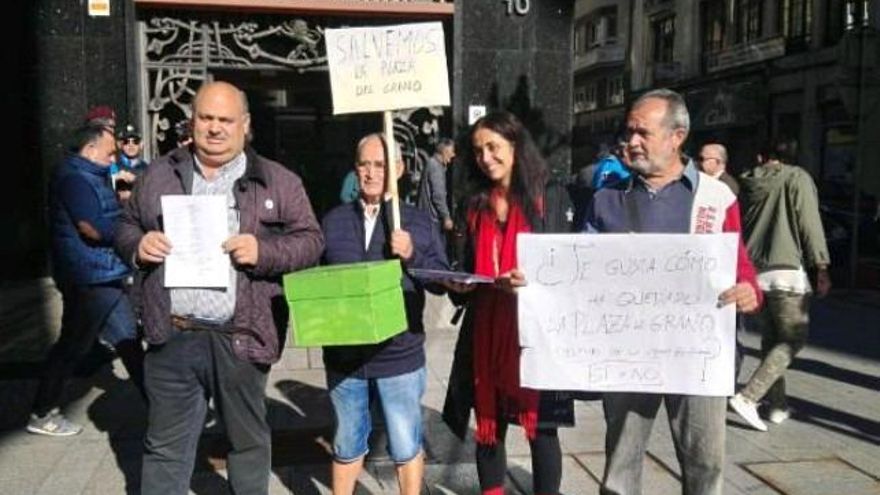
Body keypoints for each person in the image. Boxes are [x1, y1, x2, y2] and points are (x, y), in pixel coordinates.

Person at [115, 81, 324, 494]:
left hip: (240, 337)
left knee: (247, 443)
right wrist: (137, 246)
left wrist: (263, 251)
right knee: (165, 448)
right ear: (192, 122)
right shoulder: (158, 174)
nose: (215, 128)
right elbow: (124, 225)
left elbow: (312, 241)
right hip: (172, 333)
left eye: (225, 120)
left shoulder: (278, 181)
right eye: (206, 118)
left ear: (244, 125)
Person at [584, 89, 762, 495]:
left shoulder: (716, 198)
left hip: (698, 354)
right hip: (630, 354)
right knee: (620, 465)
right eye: (628, 132)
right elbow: (580, 270)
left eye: (642, 132)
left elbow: (740, 265)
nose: (631, 141)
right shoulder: (606, 199)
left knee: (705, 465)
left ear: (677, 136)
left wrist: (750, 290)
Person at [442, 111, 574, 495]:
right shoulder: (473, 203)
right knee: (488, 424)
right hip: (485, 329)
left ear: (515, 147)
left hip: (535, 331)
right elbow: (462, 266)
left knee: (542, 427)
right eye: (478, 150)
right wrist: (458, 285)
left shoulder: (550, 196)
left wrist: (534, 283)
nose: (486, 157)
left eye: (493, 147)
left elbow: (568, 268)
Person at [321, 133, 449, 495]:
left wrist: (413, 255)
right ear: (355, 168)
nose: (372, 172)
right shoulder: (333, 221)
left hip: (399, 357)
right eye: (365, 164)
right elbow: (315, 278)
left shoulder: (417, 221)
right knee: (346, 445)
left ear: (400, 169)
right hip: (345, 359)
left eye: (381, 165)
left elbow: (440, 283)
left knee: (406, 444)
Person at [27, 122, 144, 436]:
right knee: (72, 346)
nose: (113, 157)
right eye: (109, 152)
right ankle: (41, 412)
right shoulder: (74, 179)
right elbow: (90, 227)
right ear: (90, 150)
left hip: (104, 274)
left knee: (129, 341)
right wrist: (131, 236)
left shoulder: (91, 175)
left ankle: (163, 409)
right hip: (89, 277)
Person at [729, 141, 831, 431]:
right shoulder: (797, 178)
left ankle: (777, 405)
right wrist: (821, 265)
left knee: (772, 340)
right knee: (792, 340)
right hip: (786, 272)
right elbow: (809, 223)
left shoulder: (746, 182)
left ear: (762, 156)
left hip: (756, 273)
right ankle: (749, 397)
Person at [416, 138, 456, 233]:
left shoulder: (433, 164)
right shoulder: (435, 167)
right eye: (452, 151)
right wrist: (446, 217)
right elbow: (438, 195)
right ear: (444, 151)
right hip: (431, 220)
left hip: (427, 218)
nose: (453, 155)